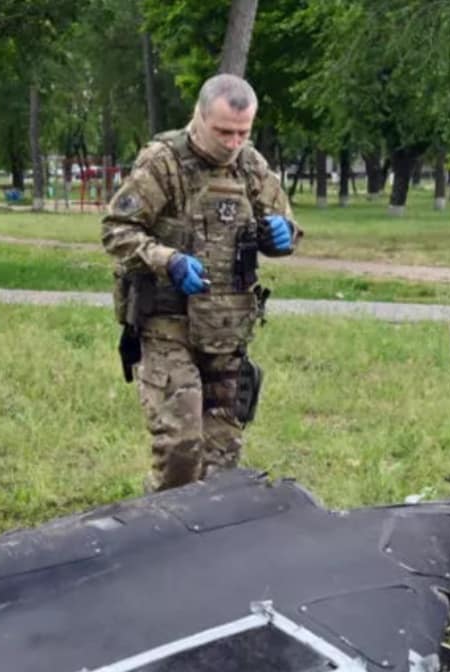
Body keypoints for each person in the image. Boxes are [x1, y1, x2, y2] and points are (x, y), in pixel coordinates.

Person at [101, 73, 300, 492]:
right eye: (223, 131)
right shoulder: (163, 162)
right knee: (180, 445)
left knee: (223, 453)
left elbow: (288, 225)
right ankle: (161, 532)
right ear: (199, 117)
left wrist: (283, 234)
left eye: (242, 133)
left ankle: (211, 540)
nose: (233, 143)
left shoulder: (250, 165)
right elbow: (117, 229)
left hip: (227, 328)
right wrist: (167, 260)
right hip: (167, 322)